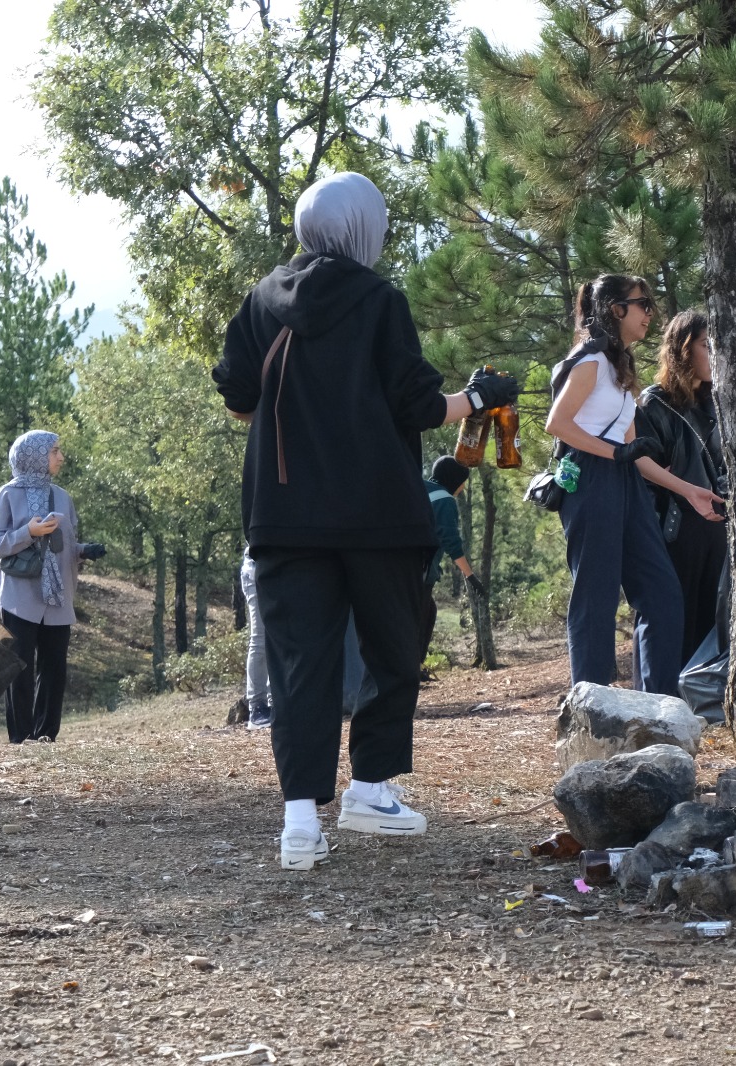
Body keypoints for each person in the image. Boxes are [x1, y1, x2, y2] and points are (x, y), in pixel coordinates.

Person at [212, 171, 518, 872]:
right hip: (378, 513)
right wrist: (477, 396)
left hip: (283, 515)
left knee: (299, 665)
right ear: (362, 228)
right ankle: (370, 792)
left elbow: (237, 397)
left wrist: (294, 420)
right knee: (392, 649)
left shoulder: (262, 300)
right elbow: (418, 408)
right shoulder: (380, 300)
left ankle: (299, 823)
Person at [546, 274, 695, 697]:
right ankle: (592, 707)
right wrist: (613, 455)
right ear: (616, 309)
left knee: (662, 593)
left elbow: (635, 452)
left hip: (623, 479)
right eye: (642, 304)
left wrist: (688, 490)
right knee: (596, 597)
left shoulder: (618, 366)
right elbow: (556, 423)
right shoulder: (591, 360)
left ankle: (658, 704)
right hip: (590, 478)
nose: (650, 312)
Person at [0, 431, 106, 744]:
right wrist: (29, 531)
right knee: (20, 669)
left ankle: (46, 736)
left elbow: (64, 544)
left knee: (54, 670)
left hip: (58, 596)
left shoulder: (62, 496)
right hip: (20, 596)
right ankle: (21, 738)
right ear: (35, 455)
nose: (60, 457)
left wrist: (83, 551)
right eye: (54, 451)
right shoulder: (8, 494)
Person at [634, 309, 728, 661]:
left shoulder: (718, 403)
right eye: (707, 344)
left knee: (710, 623)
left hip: (715, 529)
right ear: (684, 348)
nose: (715, 352)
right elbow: (642, 467)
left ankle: (698, 709)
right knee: (670, 625)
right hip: (672, 531)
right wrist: (679, 485)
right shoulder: (653, 403)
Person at [423, 456, 483, 666]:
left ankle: (411, 667)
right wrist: (471, 576)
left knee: (425, 613)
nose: (463, 487)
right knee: (423, 617)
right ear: (454, 480)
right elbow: (451, 542)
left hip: (390, 564)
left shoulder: (421, 487)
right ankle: (410, 668)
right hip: (418, 571)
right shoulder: (444, 499)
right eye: (462, 481)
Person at [238, 545, 271, 729]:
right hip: (255, 570)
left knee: (279, 639)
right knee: (260, 639)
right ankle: (257, 707)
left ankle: (275, 703)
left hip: (281, 570)